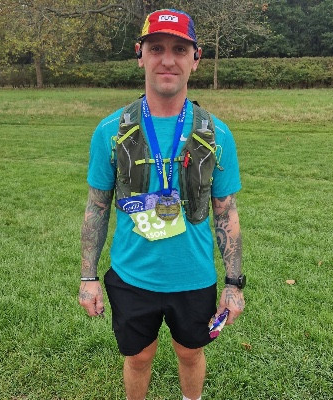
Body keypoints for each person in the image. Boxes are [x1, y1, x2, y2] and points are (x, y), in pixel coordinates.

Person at [79, 9, 245, 400]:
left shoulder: (217, 133)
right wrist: (88, 277)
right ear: (140, 55)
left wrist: (234, 283)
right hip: (132, 276)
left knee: (191, 353)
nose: (167, 60)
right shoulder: (110, 131)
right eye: (156, 48)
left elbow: (226, 211)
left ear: (195, 58)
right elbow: (97, 208)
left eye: (179, 49)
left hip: (195, 277)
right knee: (138, 357)